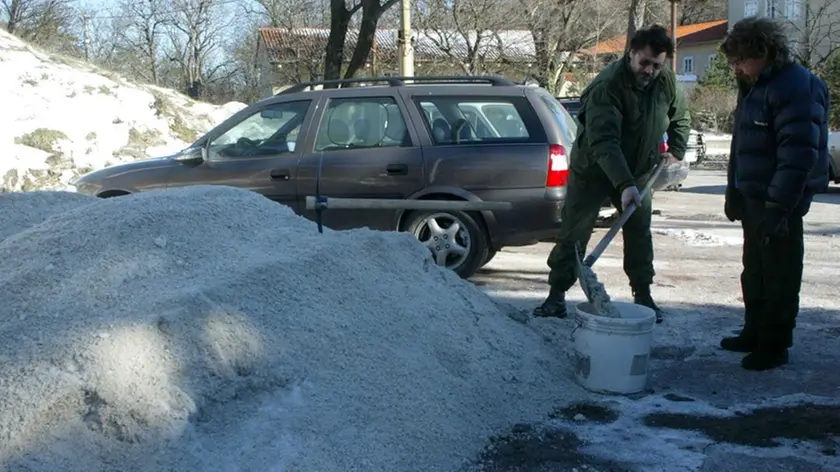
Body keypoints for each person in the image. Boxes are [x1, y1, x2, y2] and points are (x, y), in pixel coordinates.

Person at [533, 25, 691, 323]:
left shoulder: (665, 81)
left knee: (639, 232)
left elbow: (680, 116)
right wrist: (624, 184)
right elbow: (604, 142)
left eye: (656, 65)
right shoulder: (607, 86)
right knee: (575, 232)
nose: (649, 70)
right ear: (631, 54)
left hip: (639, 170)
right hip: (593, 169)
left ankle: (643, 294)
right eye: (644, 62)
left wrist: (676, 150)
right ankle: (556, 296)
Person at [718, 17, 829, 371]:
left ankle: (775, 343)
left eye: (741, 61)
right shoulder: (754, 84)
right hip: (754, 196)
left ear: (764, 52)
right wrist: (735, 192)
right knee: (755, 270)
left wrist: (779, 206)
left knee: (780, 273)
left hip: (781, 200)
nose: (737, 68)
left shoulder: (796, 86)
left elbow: (798, 152)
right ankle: (754, 331)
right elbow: (744, 144)